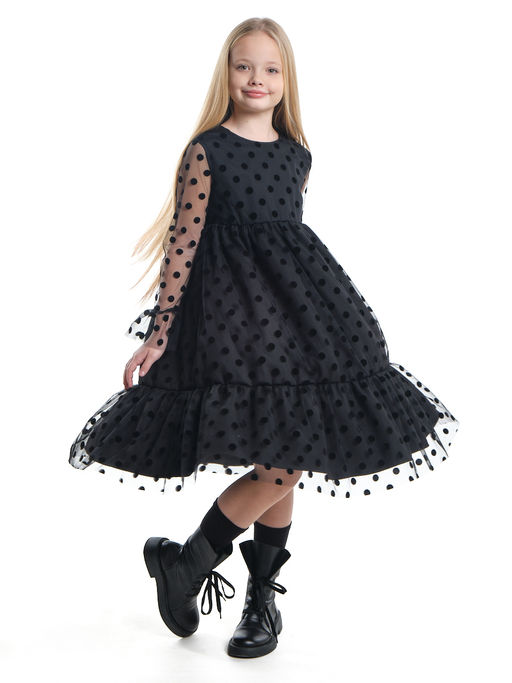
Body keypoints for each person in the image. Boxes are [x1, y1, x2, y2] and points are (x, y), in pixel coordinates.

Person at [69, 17, 459, 659]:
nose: (257, 79)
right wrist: (161, 331)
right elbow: (183, 243)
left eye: (271, 69)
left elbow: (285, 234)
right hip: (234, 323)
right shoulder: (206, 151)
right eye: (244, 66)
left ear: (286, 79)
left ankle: (246, 593)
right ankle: (189, 566)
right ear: (227, 73)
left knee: (285, 455)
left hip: (303, 315)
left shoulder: (298, 154)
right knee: (281, 462)